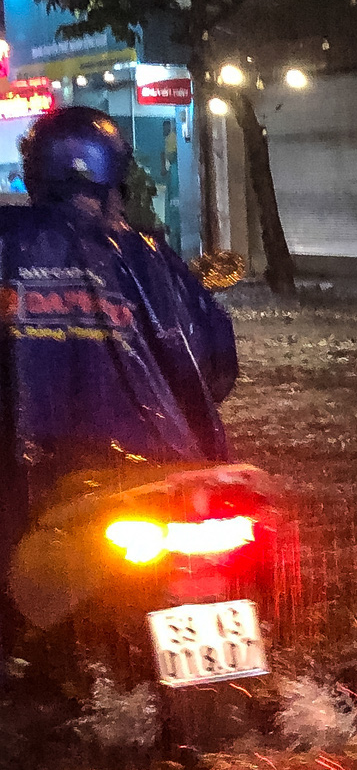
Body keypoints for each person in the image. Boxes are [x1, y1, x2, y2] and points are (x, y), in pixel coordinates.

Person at [1, 107, 237, 635]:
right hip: (163, 466)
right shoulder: (153, 256)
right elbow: (217, 368)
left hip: (41, 477)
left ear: (35, 173)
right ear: (116, 174)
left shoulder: (6, 242)